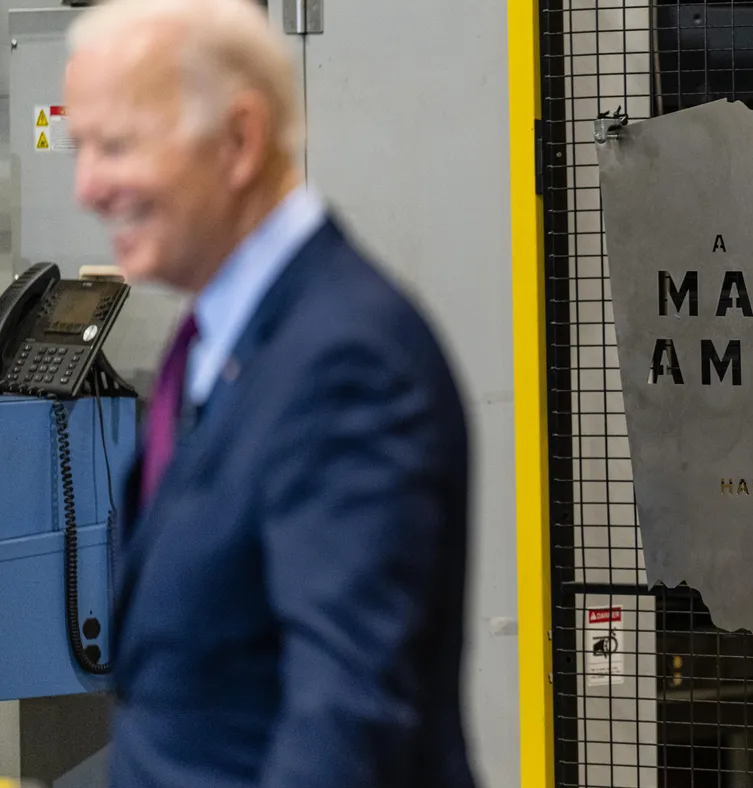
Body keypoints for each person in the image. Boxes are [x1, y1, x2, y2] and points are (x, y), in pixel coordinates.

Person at [63, 0, 476, 786]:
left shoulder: (346, 361)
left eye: (116, 144)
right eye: (80, 146)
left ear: (240, 140)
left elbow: (342, 726)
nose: (88, 187)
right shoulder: (221, 345)